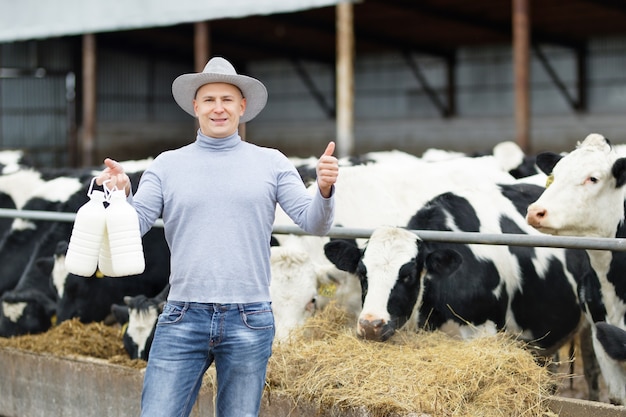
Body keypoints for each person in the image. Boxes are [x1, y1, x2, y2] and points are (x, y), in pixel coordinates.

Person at [96, 56, 338, 417]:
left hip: (250, 316)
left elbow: (313, 222)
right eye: (209, 100)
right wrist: (119, 195)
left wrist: (324, 188)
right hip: (182, 315)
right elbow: (138, 223)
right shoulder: (166, 164)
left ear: (242, 106)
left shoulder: (271, 162)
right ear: (195, 106)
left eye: (227, 99)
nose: (218, 108)